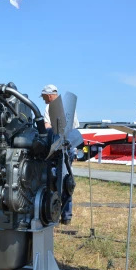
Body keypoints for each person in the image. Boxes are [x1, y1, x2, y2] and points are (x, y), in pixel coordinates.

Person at [40, 84, 78, 225]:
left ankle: (53, 211)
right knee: (67, 180)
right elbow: (74, 128)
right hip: (69, 147)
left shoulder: (49, 108)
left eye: (44, 97)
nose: (44, 100)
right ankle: (66, 216)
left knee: (54, 179)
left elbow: (47, 127)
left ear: (49, 95)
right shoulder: (68, 107)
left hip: (57, 148)